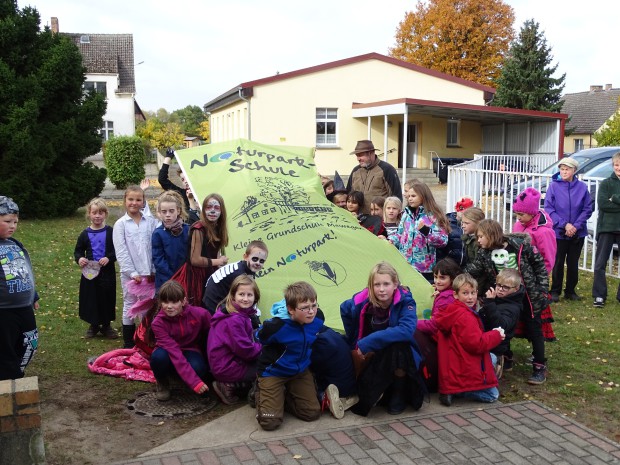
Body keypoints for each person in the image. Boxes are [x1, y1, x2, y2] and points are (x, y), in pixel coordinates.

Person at [465, 219, 549, 384]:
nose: (478, 240)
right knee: (502, 325)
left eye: (481, 236)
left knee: (534, 328)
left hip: (529, 295)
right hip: (503, 295)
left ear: (491, 234)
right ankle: (506, 356)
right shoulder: (484, 253)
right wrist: (454, 278)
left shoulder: (519, 246)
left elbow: (539, 265)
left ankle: (539, 366)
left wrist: (543, 290)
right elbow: (472, 270)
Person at [340, 261, 426, 416]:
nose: (381, 289)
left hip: (399, 356)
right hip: (373, 354)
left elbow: (406, 330)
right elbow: (344, 309)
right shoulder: (363, 299)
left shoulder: (406, 301)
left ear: (395, 284)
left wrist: (367, 341)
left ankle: (398, 394)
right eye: (376, 284)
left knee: (398, 347)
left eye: (386, 284)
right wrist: (355, 341)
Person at [254, 281, 324, 431]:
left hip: (299, 371)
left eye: (314, 305)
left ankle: (282, 397)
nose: (311, 311)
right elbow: (258, 336)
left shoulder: (318, 318)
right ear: (291, 309)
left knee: (312, 413)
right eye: (305, 308)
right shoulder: (276, 326)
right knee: (270, 423)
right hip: (274, 372)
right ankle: (258, 391)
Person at [435, 273, 504, 406]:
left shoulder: (451, 310)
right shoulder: (465, 317)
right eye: (465, 293)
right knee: (492, 395)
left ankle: (452, 390)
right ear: (455, 295)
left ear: (477, 292)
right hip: (463, 365)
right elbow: (476, 344)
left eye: (473, 293)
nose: (470, 297)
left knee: (492, 358)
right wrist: (496, 335)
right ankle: (459, 391)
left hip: (453, 363)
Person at [149, 280, 212, 401]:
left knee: (199, 367)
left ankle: (180, 376)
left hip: (190, 349)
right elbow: (174, 351)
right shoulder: (158, 323)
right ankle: (162, 382)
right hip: (168, 351)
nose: (169, 306)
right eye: (165, 302)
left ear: (183, 301)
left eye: (174, 302)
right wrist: (195, 383)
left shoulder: (201, 314)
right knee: (158, 358)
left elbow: (213, 335)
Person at [113, 184, 159, 348]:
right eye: (131, 199)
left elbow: (154, 245)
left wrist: (153, 269)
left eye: (138, 199)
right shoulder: (121, 224)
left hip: (149, 272)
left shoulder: (150, 221)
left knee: (148, 305)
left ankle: (145, 338)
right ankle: (128, 342)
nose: (134, 203)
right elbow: (121, 250)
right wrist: (132, 272)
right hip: (131, 274)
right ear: (125, 201)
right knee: (130, 304)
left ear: (143, 202)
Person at [0, 196, 39, 380]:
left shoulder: (16, 244)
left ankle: (16, 373)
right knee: (5, 348)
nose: (12, 225)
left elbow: (26, 270)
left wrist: (34, 295)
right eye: (7, 221)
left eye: (15, 221)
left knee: (31, 342)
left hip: (24, 307)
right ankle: (9, 381)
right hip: (4, 311)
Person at [207, 275, 262, 405]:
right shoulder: (234, 320)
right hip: (226, 367)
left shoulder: (239, 313)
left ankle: (237, 384)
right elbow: (246, 351)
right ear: (233, 295)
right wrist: (263, 346)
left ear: (255, 297)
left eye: (249, 295)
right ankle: (228, 386)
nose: (245, 298)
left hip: (225, 362)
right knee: (267, 366)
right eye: (241, 294)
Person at [544, 158, 593, 302]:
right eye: (562, 169)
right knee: (558, 262)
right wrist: (564, 225)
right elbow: (549, 209)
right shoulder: (553, 187)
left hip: (578, 232)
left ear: (574, 171)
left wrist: (575, 226)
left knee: (573, 263)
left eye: (567, 169)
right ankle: (555, 291)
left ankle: (570, 291)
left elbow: (587, 208)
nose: (564, 172)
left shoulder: (582, 187)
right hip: (559, 232)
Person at [388, 181, 449, 282]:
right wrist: (390, 240)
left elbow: (443, 241)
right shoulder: (406, 214)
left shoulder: (433, 215)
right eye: (408, 196)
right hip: (405, 265)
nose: (410, 198)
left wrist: (426, 231)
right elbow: (400, 235)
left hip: (424, 268)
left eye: (413, 196)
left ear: (423, 196)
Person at [74, 198, 117, 339]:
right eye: (94, 213)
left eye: (101, 213)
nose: (97, 216)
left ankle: (106, 326)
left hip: (107, 273)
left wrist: (109, 258)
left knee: (106, 297)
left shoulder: (111, 232)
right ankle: (93, 325)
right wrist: (80, 259)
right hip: (90, 273)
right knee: (92, 298)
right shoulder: (84, 234)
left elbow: (118, 250)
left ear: (106, 214)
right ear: (89, 214)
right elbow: (78, 251)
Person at [478, 268, 524, 378]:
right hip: (485, 338)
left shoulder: (513, 308)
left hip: (496, 346)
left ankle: (497, 362)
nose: (500, 289)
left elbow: (500, 325)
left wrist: (489, 304)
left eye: (506, 287)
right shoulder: (498, 299)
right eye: (498, 285)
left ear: (516, 289)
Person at [185, 194, 229, 307]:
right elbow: (195, 260)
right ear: (203, 209)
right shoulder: (198, 229)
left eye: (216, 208)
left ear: (222, 210)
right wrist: (218, 262)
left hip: (211, 273)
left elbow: (214, 251)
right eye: (209, 207)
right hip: (197, 277)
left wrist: (219, 261)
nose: (213, 211)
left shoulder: (218, 227)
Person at [202, 240, 268, 315]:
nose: (258, 263)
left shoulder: (246, 269)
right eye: (255, 259)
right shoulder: (240, 274)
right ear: (245, 257)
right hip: (214, 304)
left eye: (262, 261)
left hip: (221, 300)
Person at [592, 152, 620, 308]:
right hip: (606, 227)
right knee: (600, 263)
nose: (619, 168)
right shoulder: (605, 183)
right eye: (616, 165)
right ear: (613, 165)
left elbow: (610, 203)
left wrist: (615, 198)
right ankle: (599, 295)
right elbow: (603, 204)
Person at [346, 140, 402, 214]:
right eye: (357, 156)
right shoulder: (355, 171)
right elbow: (348, 195)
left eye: (360, 155)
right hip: (358, 219)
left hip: (380, 220)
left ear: (371, 153)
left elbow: (396, 198)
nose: (358, 159)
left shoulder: (387, 169)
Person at [513, 188, 557, 274]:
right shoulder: (518, 225)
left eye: (521, 214)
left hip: (534, 275)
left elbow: (548, 259)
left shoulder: (544, 232)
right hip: (516, 273)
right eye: (516, 213)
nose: (518, 217)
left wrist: (540, 278)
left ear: (532, 213)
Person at [152, 191, 189, 291]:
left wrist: (184, 274)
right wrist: (173, 278)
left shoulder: (188, 230)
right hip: (166, 280)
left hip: (186, 277)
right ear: (159, 213)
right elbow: (158, 260)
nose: (168, 215)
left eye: (171, 211)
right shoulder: (158, 233)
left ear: (178, 211)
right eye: (164, 212)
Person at [416, 258, 461, 339]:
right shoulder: (454, 292)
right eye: (435, 277)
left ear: (452, 278)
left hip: (440, 340)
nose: (437, 281)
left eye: (442, 278)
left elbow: (434, 325)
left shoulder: (445, 299)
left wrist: (411, 323)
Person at [158, 148, 200, 224]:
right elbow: (162, 179)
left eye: (187, 178)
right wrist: (168, 157)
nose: (186, 181)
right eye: (183, 179)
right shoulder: (181, 194)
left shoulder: (204, 192)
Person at [437, 197, 473, 266]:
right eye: (462, 209)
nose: (464, 212)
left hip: (467, 267)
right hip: (449, 266)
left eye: (468, 210)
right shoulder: (446, 223)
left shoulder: (473, 225)